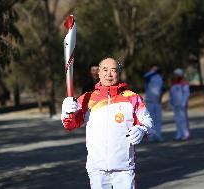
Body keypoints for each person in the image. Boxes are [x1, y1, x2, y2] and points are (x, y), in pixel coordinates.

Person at [61, 57, 154, 189]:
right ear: (98, 73)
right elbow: (70, 125)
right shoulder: (87, 98)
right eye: (105, 70)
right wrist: (66, 111)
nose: (109, 74)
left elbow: (148, 123)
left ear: (119, 73)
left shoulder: (132, 97)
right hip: (97, 168)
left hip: (124, 168)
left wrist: (142, 130)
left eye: (113, 70)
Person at [144, 65, 164, 142]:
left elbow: (161, 89)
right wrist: (153, 71)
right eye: (153, 68)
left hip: (157, 101)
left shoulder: (160, 77)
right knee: (150, 119)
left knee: (158, 119)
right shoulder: (149, 76)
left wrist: (160, 99)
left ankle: (158, 135)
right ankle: (151, 136)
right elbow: (145, 77)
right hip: (150, 101)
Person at [169, 68, 190, 141]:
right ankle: (179, 134)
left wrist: (183, 102)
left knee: (183, 119)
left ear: (180, 75)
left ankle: (186, 134)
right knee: (177, 120)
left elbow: (186, 93)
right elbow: (171, 95)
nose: (175, 76)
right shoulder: (173, 84)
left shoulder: (184, 83)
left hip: (182, 105)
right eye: (175, 75)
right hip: (176, 105)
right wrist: (170, 103)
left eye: (176, 75)